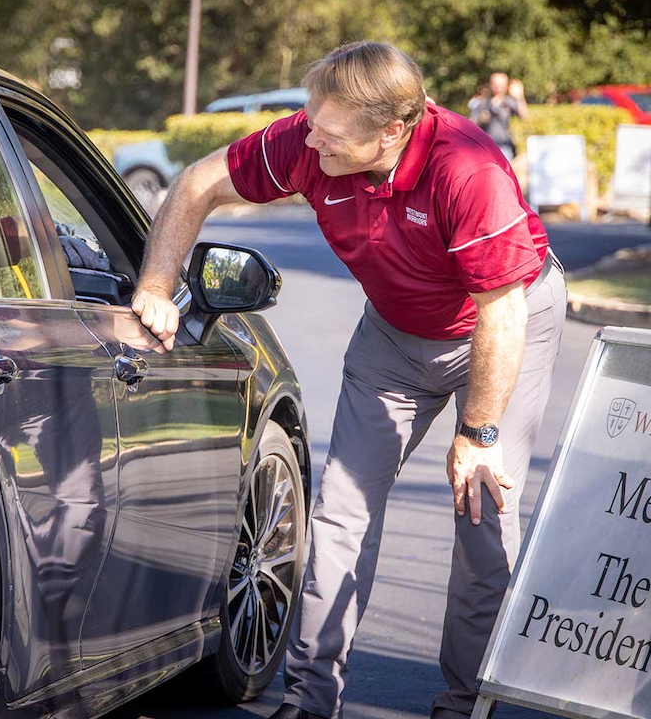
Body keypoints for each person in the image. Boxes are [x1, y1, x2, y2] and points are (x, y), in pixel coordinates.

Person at [130, 41, 566, 719]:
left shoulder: (467, 168)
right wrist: (156, 286)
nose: (310, 141)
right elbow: (197, 184)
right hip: (393, 338)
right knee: (339, 513)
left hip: (502, 327)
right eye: (311, 124)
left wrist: (479, 435)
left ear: (392, 130)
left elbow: (500, 312)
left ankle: (464, 703)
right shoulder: (310, 143)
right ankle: (310, 700)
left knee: (483, 518)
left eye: (329, 135)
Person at [470, 71, 528, 161]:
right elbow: (472, 123)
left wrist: (519, 97)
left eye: (502, 85)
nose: (499, 88)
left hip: (504, 146)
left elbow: (524, 116)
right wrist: (484, 117)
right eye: (496, 84)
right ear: (491, 84)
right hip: (486, 147)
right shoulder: (483, 103)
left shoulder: (508, 102)